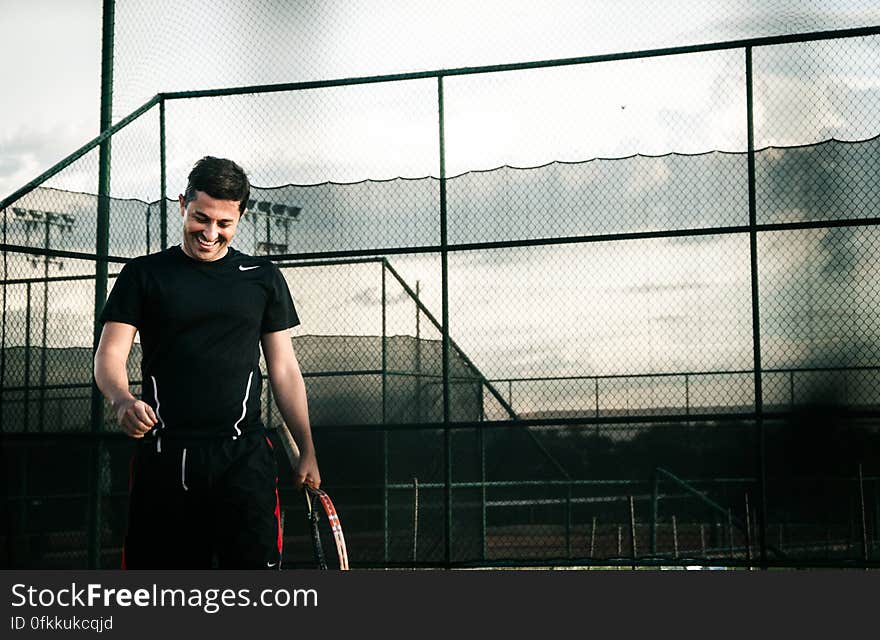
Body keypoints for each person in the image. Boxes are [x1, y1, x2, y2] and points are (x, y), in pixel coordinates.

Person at [94, 156, 319, 569]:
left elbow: (284, 370)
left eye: (224, 224)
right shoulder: (143, 275)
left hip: (243, 460)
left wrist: (307, 448)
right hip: (165, 459)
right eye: (201, 218)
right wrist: (121, 399)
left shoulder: (263, 277)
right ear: (183, 204)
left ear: (240, 217)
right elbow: (109, 354)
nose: (211, 233)